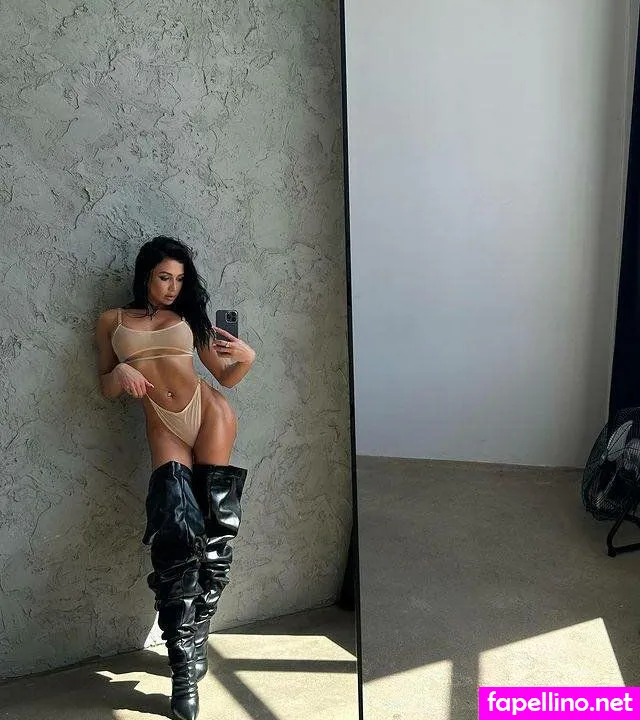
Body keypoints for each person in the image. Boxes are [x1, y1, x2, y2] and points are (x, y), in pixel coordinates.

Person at [95, 236, 256, 720]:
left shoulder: (190, 318)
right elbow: (104, 385)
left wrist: (246, 359)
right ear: (145, 274)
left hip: (208, 412)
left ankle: (196, 633)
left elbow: (224, 376)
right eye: (164, 277)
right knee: (176, 533)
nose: (171, 287)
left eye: (180, 279)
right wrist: (120, 374)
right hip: (163, 425)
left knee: (216, 527)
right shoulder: (111, 321)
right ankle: (182, 661)